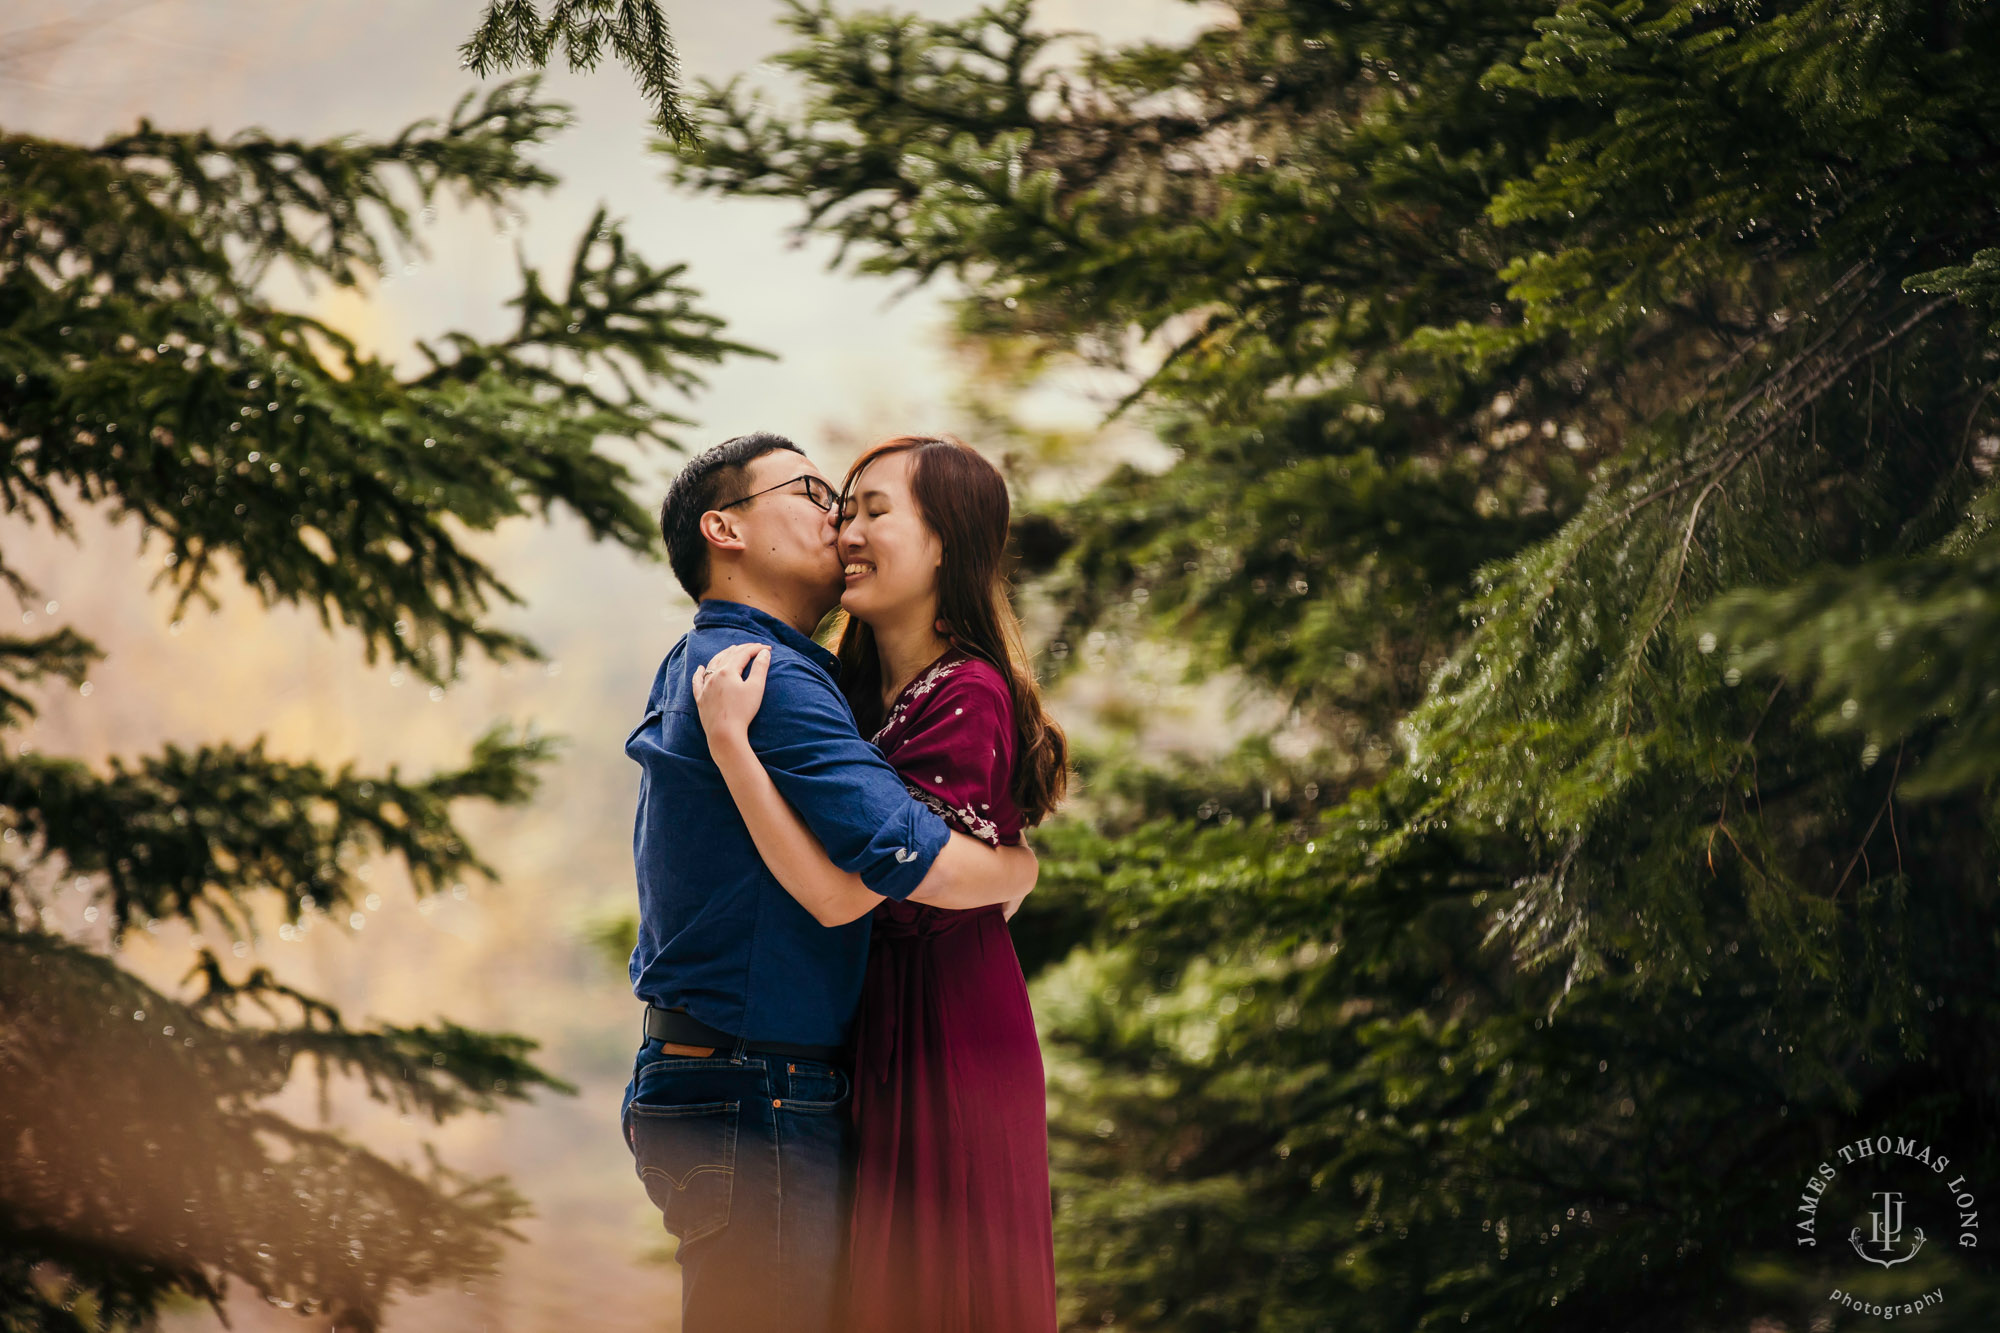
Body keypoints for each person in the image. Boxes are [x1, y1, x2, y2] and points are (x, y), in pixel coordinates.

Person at [621, 431, 1041, 1333]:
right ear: (724, 529)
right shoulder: (761, 676)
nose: (836, 518)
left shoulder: (728, 660)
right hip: (751, 1082)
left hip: (737, 1073)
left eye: (856, 504)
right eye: (815, 492)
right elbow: (890, 863)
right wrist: (1013, 865)